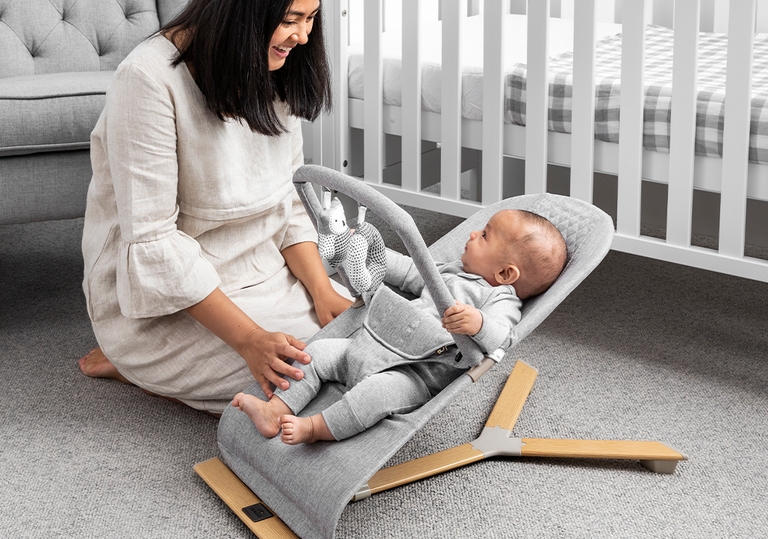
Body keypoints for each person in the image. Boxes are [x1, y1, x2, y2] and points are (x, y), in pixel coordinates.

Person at [78, 0, 353, 415]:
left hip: (261, 274)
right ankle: (134, 362)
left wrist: (321, 290)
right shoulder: (147, 79)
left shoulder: (273, 64)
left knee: (366, 342)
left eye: (311, 18)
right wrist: (249, 340)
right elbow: (154, 244)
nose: (303, 37)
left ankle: (166, 375)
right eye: (290, 20)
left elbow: (289, 205)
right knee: (326, 381)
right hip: (164, 303)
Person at [232, 209, 568, 443]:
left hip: (414, 374)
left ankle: (316, 428)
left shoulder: (500, 301)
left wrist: (477, 322)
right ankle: (275, 409)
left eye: (484, 235)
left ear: (507, 274)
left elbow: (501, 339)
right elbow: (408, 271)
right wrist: (361, 247)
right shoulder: (450, 270)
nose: (473, 232)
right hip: (371, 343)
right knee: (317, 354)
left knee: (373, 396)